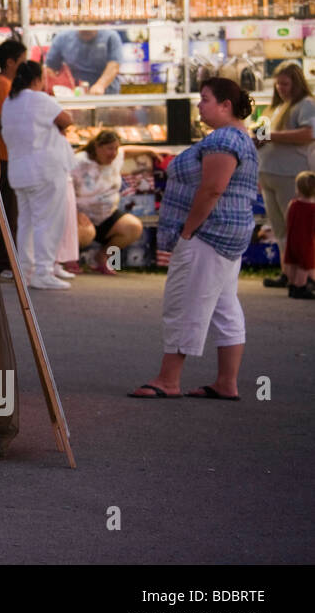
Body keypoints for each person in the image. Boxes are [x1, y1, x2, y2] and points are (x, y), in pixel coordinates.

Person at [129, 78, 259, 400]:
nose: (199, 106)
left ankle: (168, 379)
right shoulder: (240, 137)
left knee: (185, 302)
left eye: (204, 99)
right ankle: (226, 382)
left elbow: (213, 188)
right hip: (227, 235)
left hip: (207, 234)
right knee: (224, 307)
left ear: (225, 105)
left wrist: (187, 230)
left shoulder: (224, 139)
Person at [0, 60, 76, 290]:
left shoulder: (9, 102)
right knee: (48, 222)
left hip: (19, 170)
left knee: (27, 223)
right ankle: (43, 271)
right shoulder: (40, 98)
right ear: (37, 80)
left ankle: (25, 271)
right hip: (45, 170)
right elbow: (66, 120)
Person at [257, 62, 315, 289]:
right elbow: (263, 133)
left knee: (298, 229)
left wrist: (271, 135)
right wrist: (258, 136)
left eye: (285, 83)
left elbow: (309, 133)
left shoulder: (306, 104)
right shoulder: (276, 107)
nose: (281, 88)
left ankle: (305, 276)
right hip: (269, 173)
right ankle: (287, 272)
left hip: (292, 174)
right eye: (278, 84)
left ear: (297, 82)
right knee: (280, 227)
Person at [72, 130, 146, 275]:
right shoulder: (79, 162)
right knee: (87, 234)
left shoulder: (116, 157)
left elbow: (128, 150)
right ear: (97, 147)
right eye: (109, 149)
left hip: (107, 214)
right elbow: (65, 192)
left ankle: (103, 257)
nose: (113, 153)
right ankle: (70, 260)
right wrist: (75, 213)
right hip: (81, 215)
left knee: (133, 227)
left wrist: (152, 150)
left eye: (115, 148)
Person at [0, 38, 27, 279]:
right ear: (11, 62)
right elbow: (2, 122)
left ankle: (2, 263)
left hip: (5, 155)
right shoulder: (2, 85)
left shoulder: (1, 83)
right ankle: (3, 264)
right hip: (3, 156)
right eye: (22, 62)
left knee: (8, 213)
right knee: (7, 213)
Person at [45, 28, 123, 94]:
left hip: (106, 95)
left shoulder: (110, 36)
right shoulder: (62, 38)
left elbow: (114, 65)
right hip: (73, 96)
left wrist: (100, 85)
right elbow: (50, 68)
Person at [280, 171, 315, 300]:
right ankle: (301, 287)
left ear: (298, 188)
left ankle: (293, 286)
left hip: (292, 239)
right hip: (306, 241)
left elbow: (287, 218)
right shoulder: (312, 208)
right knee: (304, 266)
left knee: (294, 263)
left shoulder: (293, 204)